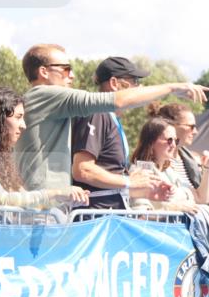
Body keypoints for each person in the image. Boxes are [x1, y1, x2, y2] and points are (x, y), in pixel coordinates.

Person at [15, 43, 208, 190]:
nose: (72, 75)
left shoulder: (48, 100)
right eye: (65, 69)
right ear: (44, 72)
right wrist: (173, 87)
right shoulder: (45, 94)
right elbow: (118, 101)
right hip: (43, 211)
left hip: (48, 207)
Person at [0, 87, 89, 209]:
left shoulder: (2, 159)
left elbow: (23, 198)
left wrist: (65, 198)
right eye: (18, 117)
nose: (23, 125)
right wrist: (58, 192)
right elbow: (3, 200)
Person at [71, 57, 170, 209]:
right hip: (95, 222)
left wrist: (144, 192)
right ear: (114, 84)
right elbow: (83, 170)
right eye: (135, 81)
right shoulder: (98, 113)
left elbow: (111, 177)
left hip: (108, 217)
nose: (139, 87)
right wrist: (129, 181)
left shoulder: (110, 117)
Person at [150, 102, 209, 204]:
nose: (195, 131)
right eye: (191, 126)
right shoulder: (156, 161)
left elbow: (203, 199)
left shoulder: (190, 160)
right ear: (172, 125)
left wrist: (207, 168)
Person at [128, 117, 197, 213]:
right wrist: (174, 209)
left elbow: (193, 198)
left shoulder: (170, 172)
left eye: (176, 141)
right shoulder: (141, 173)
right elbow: (141, 215)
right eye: (169, 140)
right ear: (151, 143)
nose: (173, 145)